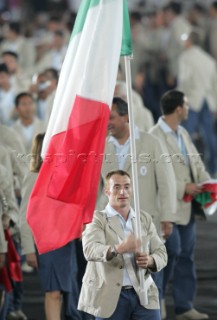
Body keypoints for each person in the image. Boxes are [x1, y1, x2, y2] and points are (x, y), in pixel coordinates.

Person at [150, 90, 210, 320]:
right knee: (169, 254)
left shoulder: (183, 132)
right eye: (186, 104)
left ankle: (184, 306)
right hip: (167, 208)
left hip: (188, 208)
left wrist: (207, 183)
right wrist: (183, 186)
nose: (188, 108)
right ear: (178, 109)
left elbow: (196, 162)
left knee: (186, 256)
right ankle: (158, 300)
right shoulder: (153, 136)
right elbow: (157, 174)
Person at [78, 170, 167, 320]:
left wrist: (150, 260)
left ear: (132, 190)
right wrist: (119, 248)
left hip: (144, 296)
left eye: (127, 187)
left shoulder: (143, 218)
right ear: (107, 191)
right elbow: (90, 249)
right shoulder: (97, 218)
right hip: (109, 297)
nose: (122, 192)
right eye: (117, 187)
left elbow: (161, 252)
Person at [20, 133, 82, 320]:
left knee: (67, 293)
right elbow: (25, 215)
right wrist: (29, 249)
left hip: (67, 243)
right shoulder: (34, 177)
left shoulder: (64, 176)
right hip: (47, 243)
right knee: (53, 292)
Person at [177, 31, 217, 177]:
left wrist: (178, 98)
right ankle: (213, 168)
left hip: (191, 100)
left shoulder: (185, 57)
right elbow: (214, 84)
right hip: (207, 100)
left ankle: (186, 170)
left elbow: (184, 80)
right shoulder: (209, 60)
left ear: (189, 41)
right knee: (210, 136)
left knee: (185, 136)